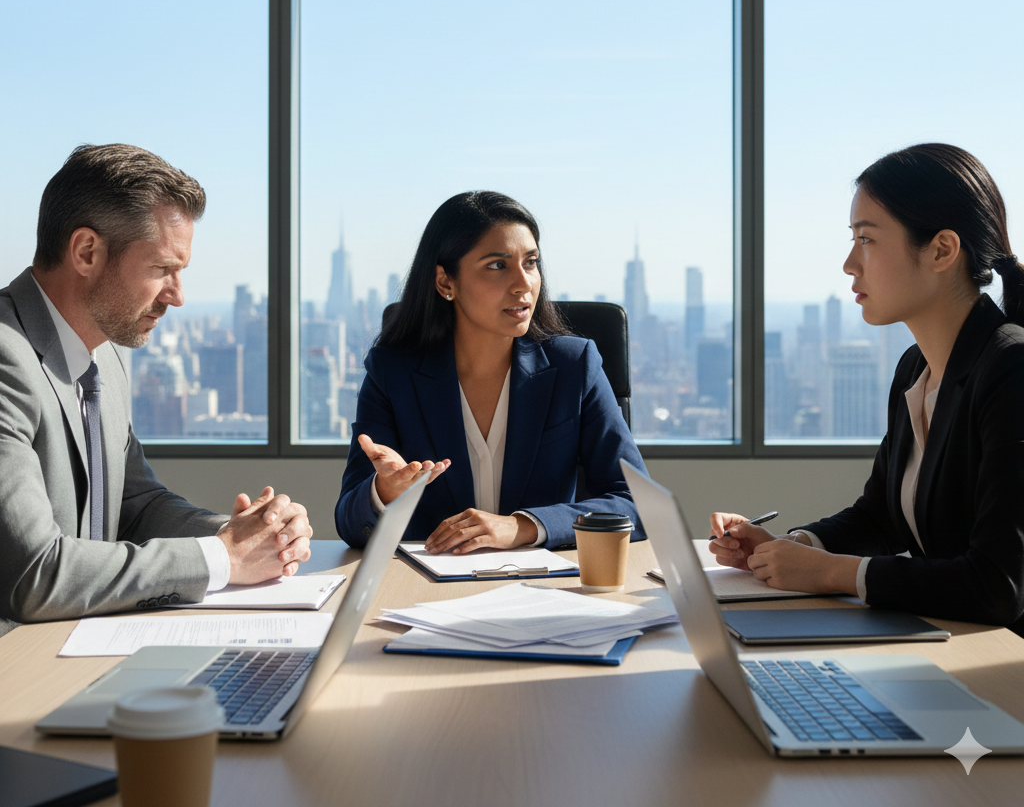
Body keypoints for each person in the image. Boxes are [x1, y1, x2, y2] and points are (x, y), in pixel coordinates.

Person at [709, 143, 1024, 635]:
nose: (849, 263)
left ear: (942, 250)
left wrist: (833, 573)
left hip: (1000, 670)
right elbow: (881, 516)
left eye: (867, 239)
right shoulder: (916, 368)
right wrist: (791, 549)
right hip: (943, 645)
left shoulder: (1012, 368)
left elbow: (997, 585)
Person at [0, 144, 313, 638]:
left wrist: (245, 535)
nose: (178, 295)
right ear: (86, 252)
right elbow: (35, 574)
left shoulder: (107, 353)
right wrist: (222, 558)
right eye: (162, 269)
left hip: (75, 645)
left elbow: (135, 506)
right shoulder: (6, 358)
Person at [335, 191, 648, 552]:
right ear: (445, 283)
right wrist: (385, 491)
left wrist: (523, 526)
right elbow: (349, 522)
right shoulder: (393, 372)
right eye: (498, 265)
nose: (523, 283)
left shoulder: (574, 365)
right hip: (425, 591)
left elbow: (634, 504)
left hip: (544, 587)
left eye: (530, 263)